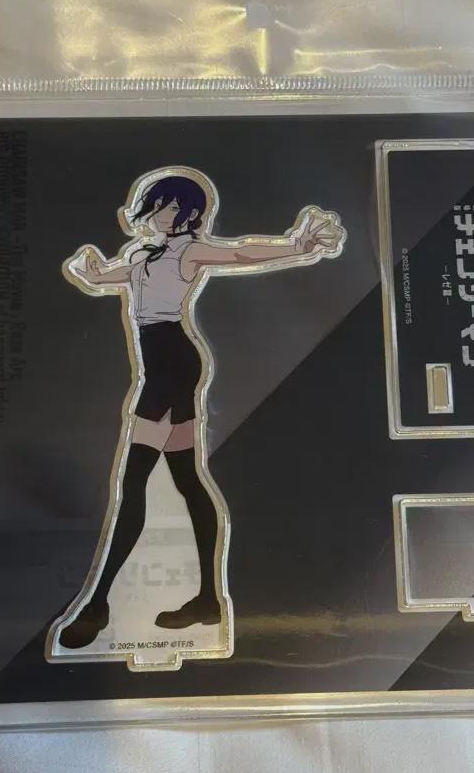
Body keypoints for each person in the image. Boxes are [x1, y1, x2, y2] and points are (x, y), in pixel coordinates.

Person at [53, 166, 345, 650]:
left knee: (134, 482)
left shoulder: (189, 251)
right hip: (161, 364)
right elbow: (108, 277)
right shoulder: (142, 253)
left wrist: (298, 246)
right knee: (187, 480)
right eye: (158, 205)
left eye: (171, 207)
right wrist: (89, 270)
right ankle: (209, 598)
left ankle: (97, 604)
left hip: (171, 365)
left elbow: (240, 252)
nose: (162, 214)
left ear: (189, 213)